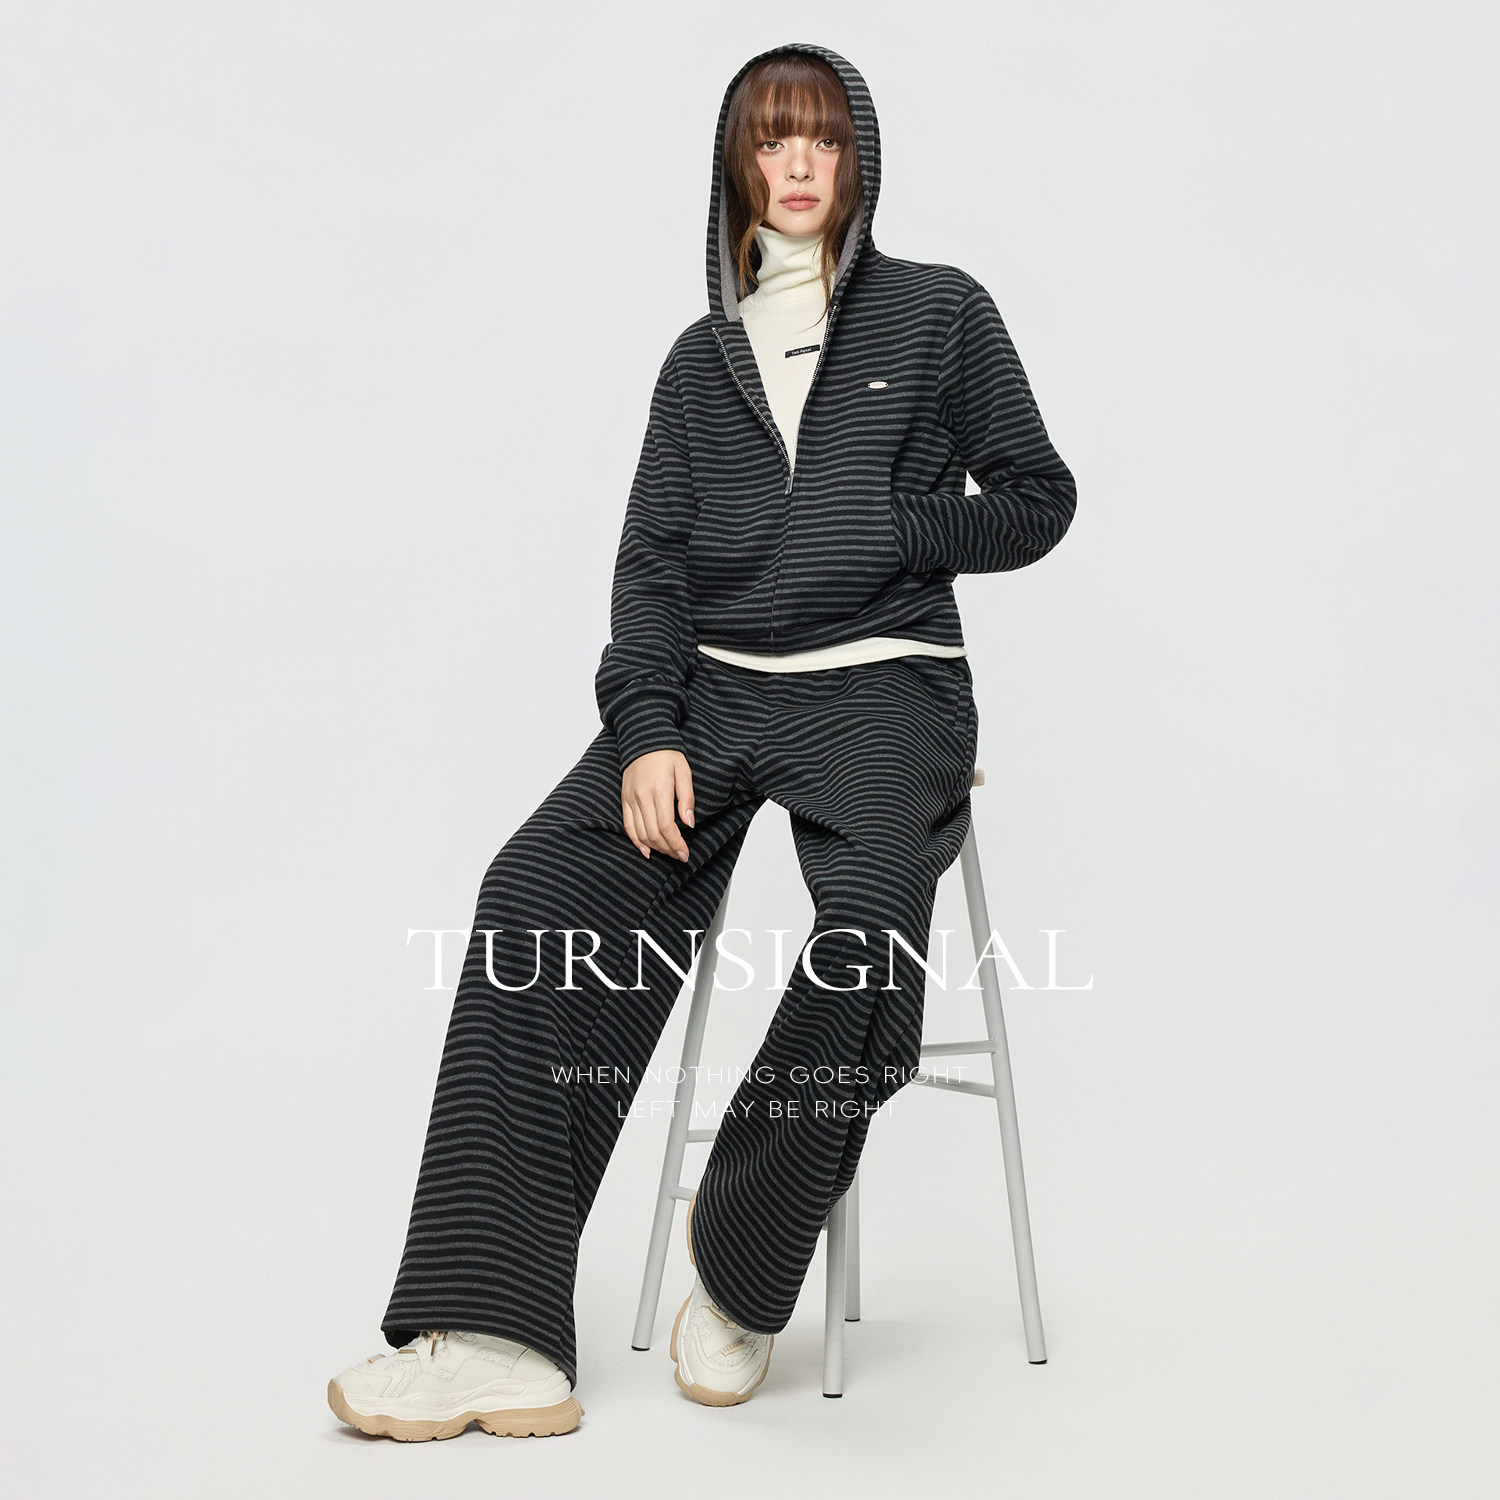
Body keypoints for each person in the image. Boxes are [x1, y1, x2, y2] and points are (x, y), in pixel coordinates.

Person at [326, 40, 1076, 1440]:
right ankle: (495, 1331)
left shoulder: (939, 313)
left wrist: (893, 525)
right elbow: (653, 575)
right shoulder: (698, 362)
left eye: (824, 138)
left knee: (869, 932)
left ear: (859, 160)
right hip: (717, 698)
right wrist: (646, 733)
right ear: (737, 163)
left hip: (886, 689)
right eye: (772, 139)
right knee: (531, 891)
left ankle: (742, 1253)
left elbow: (1039, 499)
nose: (799, 165)